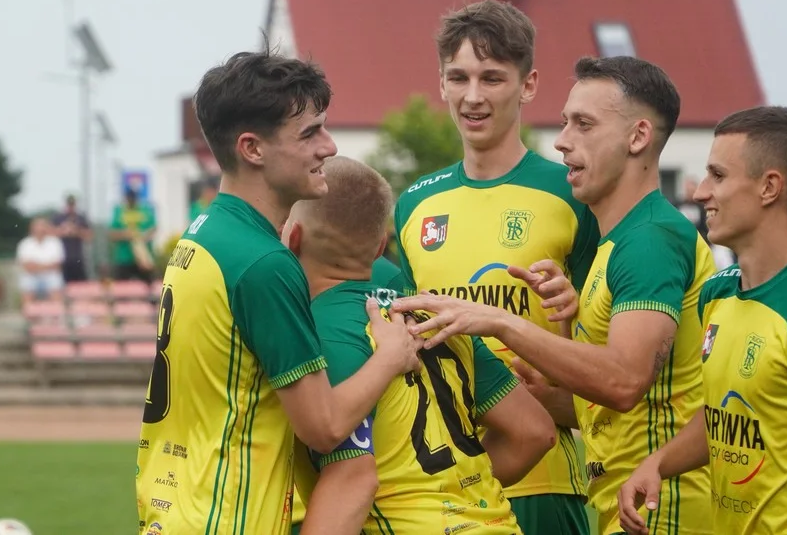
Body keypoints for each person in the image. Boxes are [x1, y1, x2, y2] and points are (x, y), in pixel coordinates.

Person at [392, 56, 714, 535]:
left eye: (583, 124)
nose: (563, 140)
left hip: (663, 510)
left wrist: (502, 322)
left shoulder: (649, 239)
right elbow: (607, 409)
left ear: (638, 137)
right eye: (565, 122)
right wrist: (538, 396)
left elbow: (625, 382)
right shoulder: (617, 241)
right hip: (627, 507)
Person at [135, 50, 423, 535]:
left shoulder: (203, 233)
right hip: (226, 519)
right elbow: (324, 427)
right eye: (310, 133)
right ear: (252, 148)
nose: (329, 148)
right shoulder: (265, 263)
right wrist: (390, 355)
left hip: (175, 509)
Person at [391, 0, 598, 535]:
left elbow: (614, 356)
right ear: (440, 83)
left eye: (493, 78)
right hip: (450, 481)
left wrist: (572, 309)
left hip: (547, 479)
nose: (473, 96)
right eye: (458, 77)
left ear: (528, 85)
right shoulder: (414, 204)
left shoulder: (573, 192)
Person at [288, 157, 556, 535]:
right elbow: (534, 432)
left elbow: (348, 481)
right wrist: (449, 488)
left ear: (292, 237)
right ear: (382, 245)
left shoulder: (319, 331)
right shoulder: (437, 317)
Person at [617, 106, 787, 535]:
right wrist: (657, 463)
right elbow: (728, 414)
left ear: (769, 187)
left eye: (717, 176)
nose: (701, 192)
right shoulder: (716, 293)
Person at [109, 188, 156, 282]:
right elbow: (112, 234)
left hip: (143, 259)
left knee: (149, 286)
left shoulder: (145, 210)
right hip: (124, 258)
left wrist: (144, 236)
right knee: (122, 288)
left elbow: (153, 228)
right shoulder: (119, 211)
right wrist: (126, 235)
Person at [15, 218, 65, 303]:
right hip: (32, 276)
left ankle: (56, 313)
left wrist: (36, 266)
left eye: (43, 226)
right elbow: (27, 267)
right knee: (27, 283)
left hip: (50, 276)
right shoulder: (25, 244)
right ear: (32, 228)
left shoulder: (55, 242)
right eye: (38, 226)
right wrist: (47, 265)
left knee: (55, 282)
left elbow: (57, 265)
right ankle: (30, 312)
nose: (40, 229)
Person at [51, 194, 92, 283]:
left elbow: (89, 236)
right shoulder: (58, 218)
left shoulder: (81, 218)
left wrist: (75, 231)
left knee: (81, 284)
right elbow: (51, 233)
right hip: (62, 257)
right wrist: (63, 231)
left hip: (78, 257)